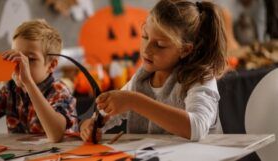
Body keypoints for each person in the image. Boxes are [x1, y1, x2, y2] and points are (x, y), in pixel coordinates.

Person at [79, 0, 227, 142]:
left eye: (160, 45)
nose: (147, 49)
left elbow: (197, 128)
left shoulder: (200, 78)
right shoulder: (141, 78)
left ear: (185, 50)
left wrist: (134, 101)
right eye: (145, 37)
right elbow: (112, 112)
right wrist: (93, 124)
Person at [0, 19, 77, 143]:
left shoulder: (59, 91)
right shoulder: (10, 90)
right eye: (16, 57)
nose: (20, 65)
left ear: (51, 65)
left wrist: (28, 83)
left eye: (30, 59)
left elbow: (56, 135)